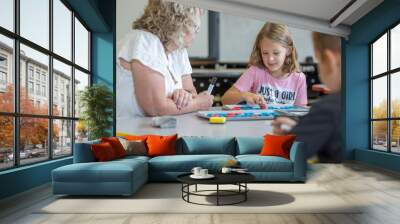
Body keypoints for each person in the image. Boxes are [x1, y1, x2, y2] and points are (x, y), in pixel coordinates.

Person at [116, 0, 213, 118]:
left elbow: (191, 91)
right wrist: (198, 103)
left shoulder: (178, 51)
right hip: (128, 132)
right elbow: (155, 108)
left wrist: (184, 95)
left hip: (158, 130)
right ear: (179, 23)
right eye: (195, 27)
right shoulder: (144, 41)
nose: (195, 34)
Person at [272, 32, 342, 163]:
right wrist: (304, 128)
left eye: (319, 60)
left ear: (330, 60)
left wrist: (287, 137)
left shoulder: (327, 109)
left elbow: (283, 155)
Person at [221, 22, 307, 106]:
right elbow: (225, 99)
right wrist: (244, 95)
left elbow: (302, 112)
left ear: (288, 50)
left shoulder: (299, 78)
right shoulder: (255, 72)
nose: (270, 59)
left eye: (276, 53)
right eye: (265, 53)